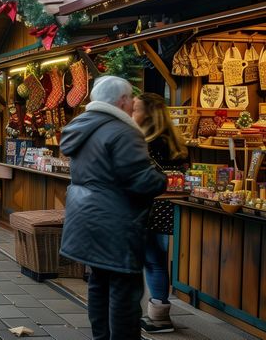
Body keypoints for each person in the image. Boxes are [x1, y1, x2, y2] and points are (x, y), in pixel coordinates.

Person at [60, 76, 167, 340]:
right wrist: (161, 178)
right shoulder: (123, 131)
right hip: (115, 222)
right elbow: (141, 180)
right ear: (121, 100)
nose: (132, 103)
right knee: (125, 289)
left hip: (86, 218)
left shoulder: (81, 126)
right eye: (131, 98)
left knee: (99, 282)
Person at [133, 92, 189, 334]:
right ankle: (159, 313)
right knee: (159, 261)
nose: (133, 113)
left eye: (136, 109)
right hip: (170, 208)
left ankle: (159, 318)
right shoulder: (175, 141)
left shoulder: (147, 143)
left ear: (149, 114)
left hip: (151, 206)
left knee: (152, 261)